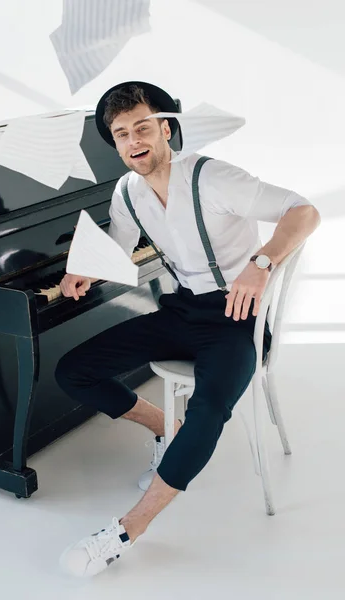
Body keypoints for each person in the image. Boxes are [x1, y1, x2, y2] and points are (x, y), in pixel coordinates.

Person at [55, 81, 320, 577]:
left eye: (142, 127)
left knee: (210, 407)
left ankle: (125, 531)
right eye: (121, 134)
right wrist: (86, 268)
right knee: (75, 371)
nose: (134, 141)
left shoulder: (213, 177)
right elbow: (120, 241)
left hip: (236, 317)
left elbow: (304, 210)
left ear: (166, 127)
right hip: (181, 313)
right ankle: (165, 430)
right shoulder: (127, 192)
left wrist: (261, 262)